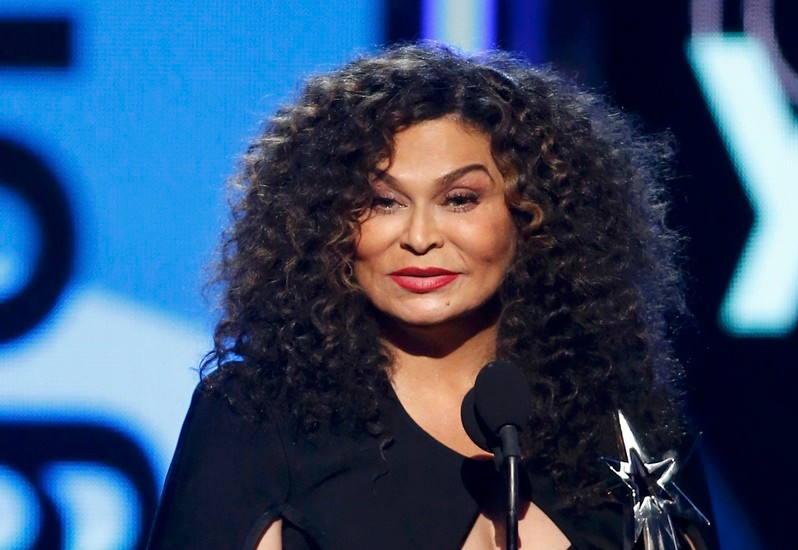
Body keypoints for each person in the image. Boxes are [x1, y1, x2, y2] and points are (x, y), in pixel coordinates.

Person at [147, 43, 712, 549]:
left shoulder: (627, 421)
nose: (419, 237)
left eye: (460, 199)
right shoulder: (257, 418)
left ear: (532, 218)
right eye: (384, 202)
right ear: (327, 223)